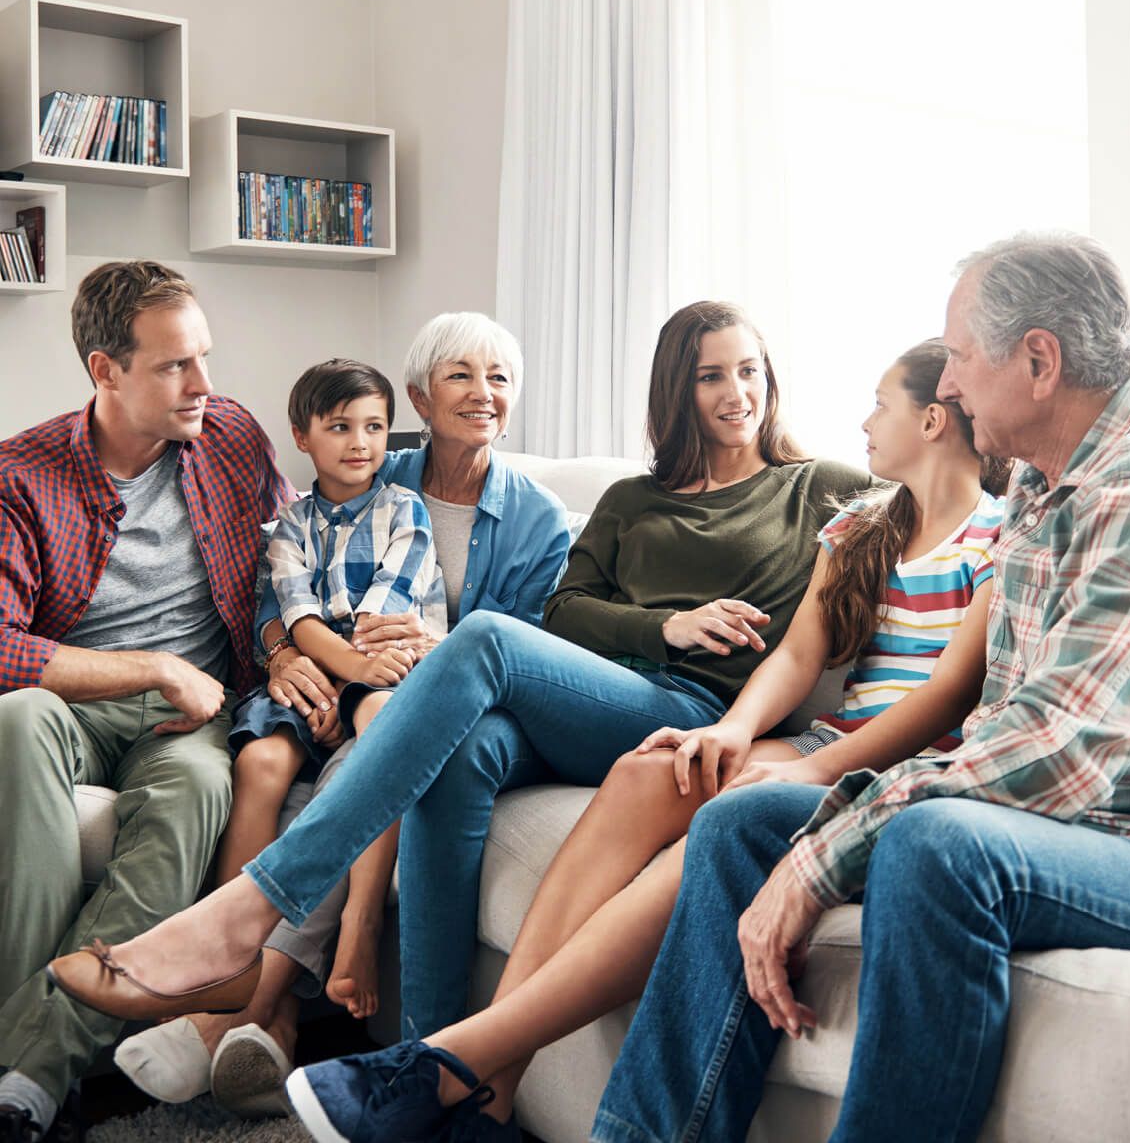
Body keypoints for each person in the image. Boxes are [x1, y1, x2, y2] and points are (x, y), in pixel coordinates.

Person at [44, 300, 871, 1091]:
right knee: (460, 751)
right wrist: (666, 624)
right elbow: (568, 613)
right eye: (711, 377)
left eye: (751, 371)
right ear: (675, 391)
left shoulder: (819, 488)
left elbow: (946, 494)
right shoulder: (629, 499)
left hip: (691, 707)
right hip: (603, 694)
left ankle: (246, 910)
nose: (738, 394)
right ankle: (424, 1066)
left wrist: (681, 645)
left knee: (480, 639)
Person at [281, 336, 1010, 1142]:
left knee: (692, 797)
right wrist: (734, 732)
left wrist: (804, 762)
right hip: (808, 737)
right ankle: (490, 1091)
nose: (864, 420)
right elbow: (801, 652)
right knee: (643, 770)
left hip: (900, 766)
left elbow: (950, 695)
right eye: (710, 376)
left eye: (880, 404)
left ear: (936, 420)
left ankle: (443, 1055)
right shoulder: (862, 524)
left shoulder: (995, 538)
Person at [586, 232, 1130, 1143]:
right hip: (1050, 822)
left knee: (938, 843)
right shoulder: (1041, 483)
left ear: (1038, 360)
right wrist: (812, 830)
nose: (946, 386)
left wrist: (825, 852)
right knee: (738, 821)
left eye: (957, 357)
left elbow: (1059, 745)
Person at [114, 314, 570, 1116]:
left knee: (388, 734)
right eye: (462, 376)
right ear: (421, 400)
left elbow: (530, 648)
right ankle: (270, 1023)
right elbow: (276, 590)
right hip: (336, 678)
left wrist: (427, 652)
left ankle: (256, 995)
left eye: (499, 377)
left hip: (435, 702)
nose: (484, 394)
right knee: (279, 761)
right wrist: (288, 656)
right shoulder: (372, 473)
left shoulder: (534, 517)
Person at [0, 261, 293, 1143]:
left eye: (204, 357)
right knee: (14, 721)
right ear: (105, 371)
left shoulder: (232, 436)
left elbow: (291, 562)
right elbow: (4, 645)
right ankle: (35, 1061)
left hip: (194, 718)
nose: (204, 385)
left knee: (203, 788)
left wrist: (298, 646)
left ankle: (27, 1077)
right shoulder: (23, 474)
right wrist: (158, 665)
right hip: (83, 700)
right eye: (175, 366)